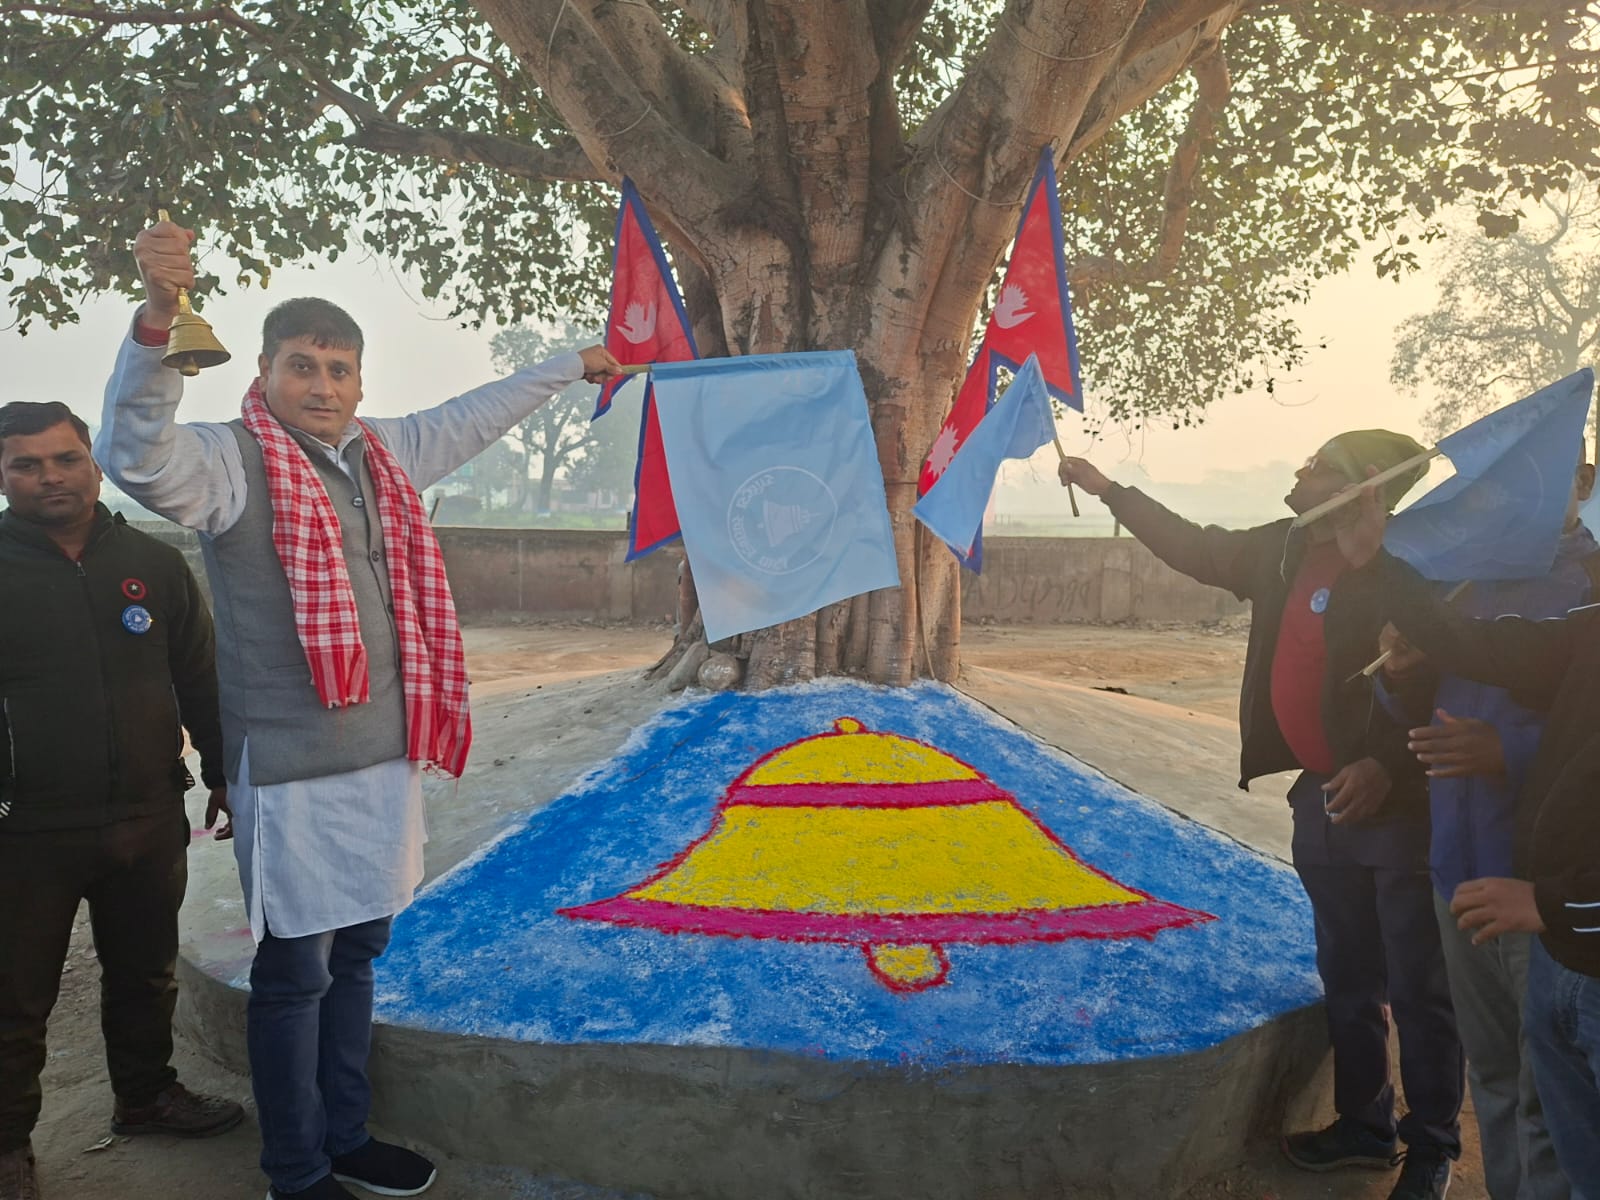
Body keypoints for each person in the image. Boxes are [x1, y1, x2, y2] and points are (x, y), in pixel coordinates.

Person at [96, 217, 623, 1200]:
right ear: (264, 370)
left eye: (340, 368)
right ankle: (295, 1171)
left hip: (386, 762)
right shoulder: (226, 462)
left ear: (361, 383)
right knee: (296, 973)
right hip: (293, 772)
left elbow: (478, 412)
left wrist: (572, 364)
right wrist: (158, 322)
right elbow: (132, 453)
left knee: (361, 954)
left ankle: (345, 1135)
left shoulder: (384, 455)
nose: (324, 385)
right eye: (304, 366)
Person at [1058, 433, 1462, 1200]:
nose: (1299, 470)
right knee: (1348, 971)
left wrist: (1390, 765)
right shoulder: (1281, 551)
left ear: (1362, 487)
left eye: (1318, 468)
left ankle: (1433, 1145)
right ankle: (1365, 1126)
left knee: (1417, 982)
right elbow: (1194, 546)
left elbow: (1449, 682)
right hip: (1320, 796)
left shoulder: (1413, 570)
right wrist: (1110, 489)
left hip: (1401, 808)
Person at [0, 401, 243, 1200]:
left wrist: (224, 773)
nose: (48, 477)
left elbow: (201, 679)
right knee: (14, 996)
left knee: (146, 973)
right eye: (25, 465)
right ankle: (8, 1147)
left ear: (94, 465)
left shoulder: (156, 563)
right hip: (24, 830)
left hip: (146, 816)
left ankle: (146, 1097)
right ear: (3, 476)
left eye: (64, 459)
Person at [1336, 474, 1600, 1196]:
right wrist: (1402, 667)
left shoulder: (1587, 581)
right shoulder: (1470, 583)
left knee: (1553, 1099)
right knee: (1496, 1075)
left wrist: (1507, 753)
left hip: (1545, 892)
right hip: (1461, 866)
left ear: (1578, 480)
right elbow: (1434, 688)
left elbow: (1574, 733)